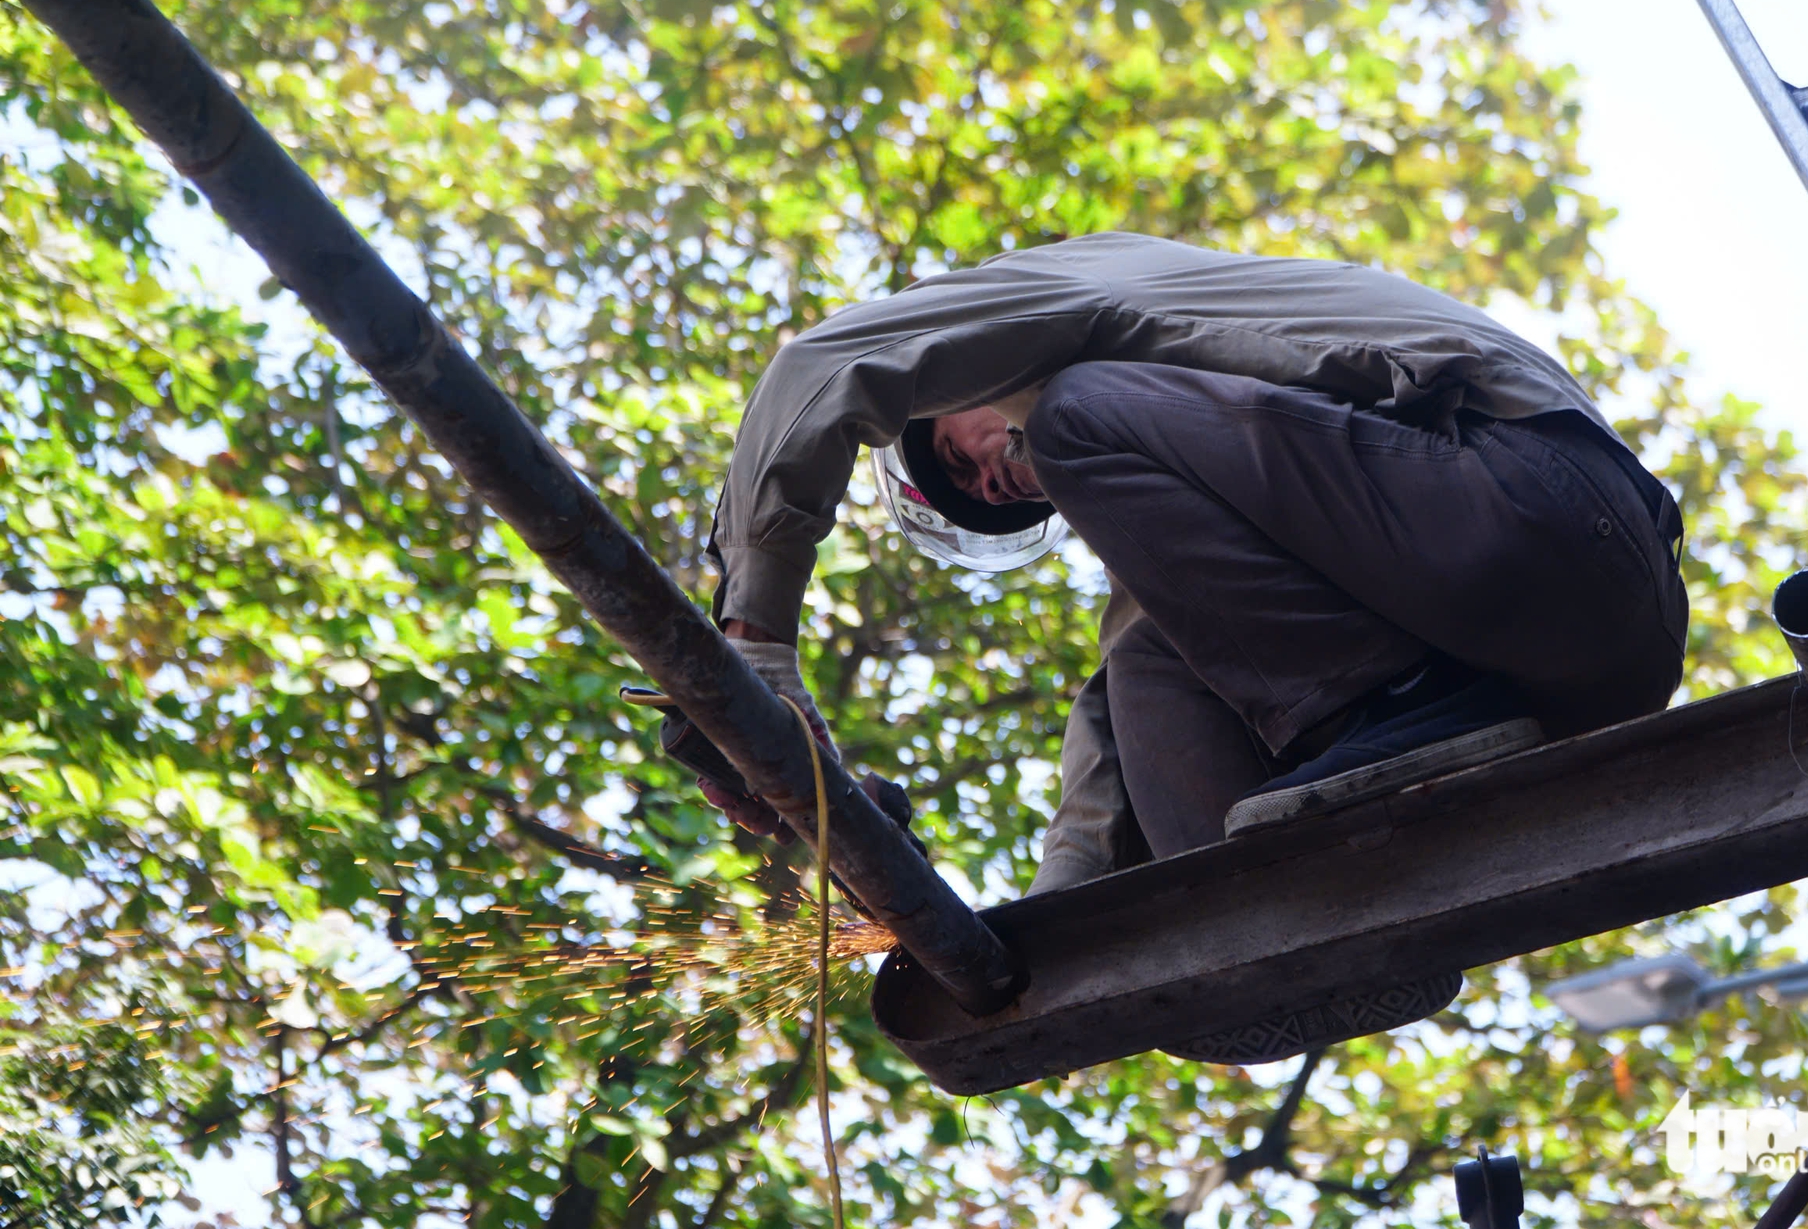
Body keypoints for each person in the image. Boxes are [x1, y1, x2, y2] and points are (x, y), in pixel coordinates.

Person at [699, 232, 1689, 896]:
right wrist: (1043, 916)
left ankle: (1404, 710)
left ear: (961, 382)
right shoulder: (1204, 538)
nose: (988, 480)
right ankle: (1296, 930)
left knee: (1082, 411)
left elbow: (819, 367)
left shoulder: (1082, 302)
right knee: (1145, 668)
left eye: (957, 451)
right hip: (1563, 694)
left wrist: (753, 650)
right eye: (980, 498)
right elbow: (1113, 749)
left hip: (1547, 511)